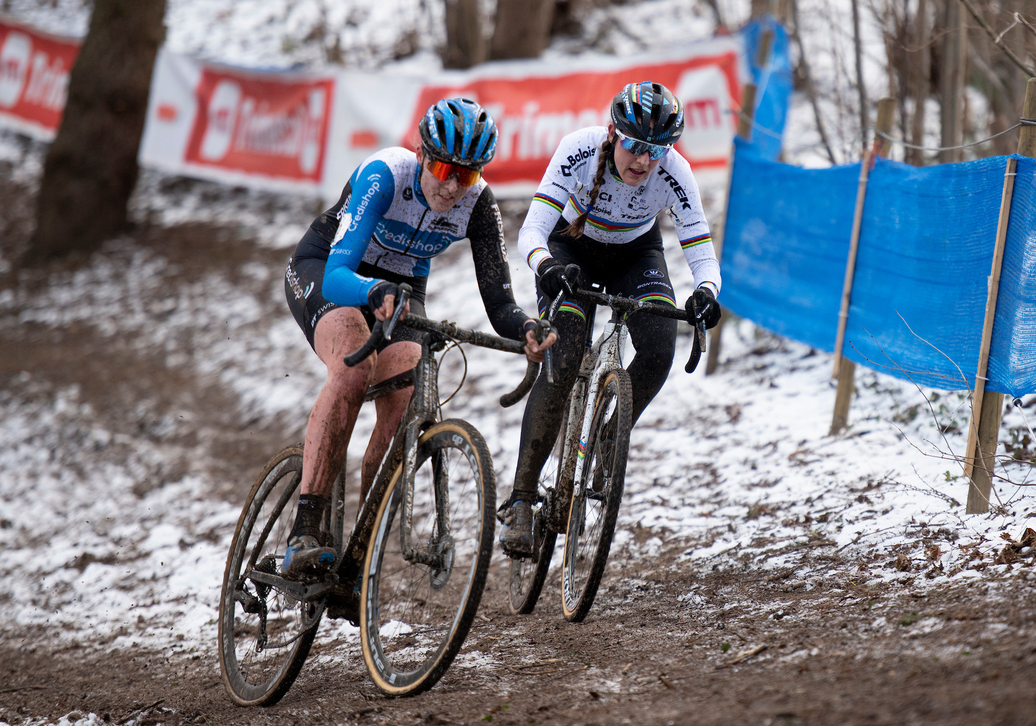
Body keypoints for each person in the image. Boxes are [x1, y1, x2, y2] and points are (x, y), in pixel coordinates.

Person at [281, 97, 556, 603]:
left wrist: (526, 331)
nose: (453, 186)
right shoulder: (387, 175)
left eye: (467, 176)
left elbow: (499, 301)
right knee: (351, 371)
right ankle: (306, 528)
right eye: (446, 169)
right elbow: (341, 271)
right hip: (331, 274)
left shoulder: (479, 206)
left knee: (405, 404)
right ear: (423, 154)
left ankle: (359, 550)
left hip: (402, 290)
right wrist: (371, 293)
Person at [499, 80, 723, 555]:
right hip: (570, 246)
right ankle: (520, 498)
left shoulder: (675, 174)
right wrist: (546, 266)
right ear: (612, 133)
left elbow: (701, 251)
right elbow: (533, 230)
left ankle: (607, 438)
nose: (644, 160)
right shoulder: (577, 150)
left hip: (634, 255)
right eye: (635, 146)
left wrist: (706, 291)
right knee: (566, 351)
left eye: (657, 150)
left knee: (660, 347)